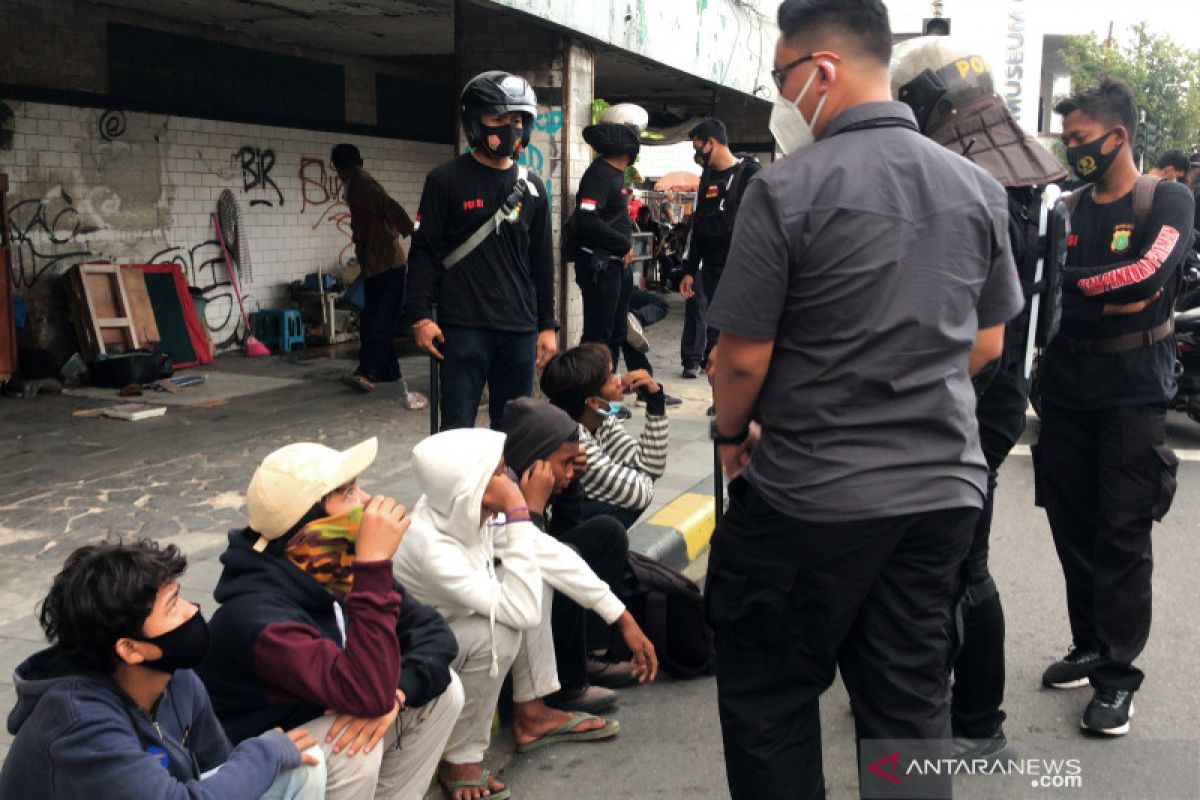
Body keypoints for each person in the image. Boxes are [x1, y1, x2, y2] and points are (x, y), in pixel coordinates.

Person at [703, 1, 1024, 797]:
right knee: (907, 710)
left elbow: (739, 359)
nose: (780, 97)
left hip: (809, 497)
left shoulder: (785, 188)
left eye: (781, 77)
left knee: (772, 698)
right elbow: (988, 345)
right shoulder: (976, 187)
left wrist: (731, 432)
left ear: (822, 70)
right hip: (938, 497)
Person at [891, 36, 1068, 759]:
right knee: (947, 554)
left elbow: (974, 333)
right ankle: (923, 695)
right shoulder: (1018, 187)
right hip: (994, 395)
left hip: (967, 398)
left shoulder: (975, 189)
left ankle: (977, 722)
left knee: (960, 561)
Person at [1035, 78, 1193, 736]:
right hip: (1066, 389)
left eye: (1079, 139)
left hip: (1132, 389)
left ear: (1116, 136)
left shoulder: (1169, 198)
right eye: (1067, 141)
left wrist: (1071, 289)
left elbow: (1147, 278)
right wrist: (1085, 293)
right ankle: (1092, 642)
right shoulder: (1064, 208)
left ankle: (1118, 678)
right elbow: (1037, 285)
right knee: (1072, 525)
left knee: (1123, 533)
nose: (1073, 151)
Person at [393, 428, 656, 800]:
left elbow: (548, 553)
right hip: (423, 654)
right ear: (472, 487)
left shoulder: (462, 509)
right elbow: (523, 611)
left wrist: (621, 616)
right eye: (499, 473)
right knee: (501, 629)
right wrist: (520, 511)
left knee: (531, 571)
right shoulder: (430, 548)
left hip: (453, 631)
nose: (510, 481)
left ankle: (533, 714)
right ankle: (459, 758)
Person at [198, 438, 464, 800]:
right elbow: (367, 695)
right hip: (256, 769)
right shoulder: (256, 616)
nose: (369, 501)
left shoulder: (331, 571)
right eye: (349, 493)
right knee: (353, 750)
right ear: (310, 526)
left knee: (441, 688)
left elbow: (435, 634)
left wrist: (398, 693)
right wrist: (374, 568)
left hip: (321, 722)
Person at [1, 540, 325, 800]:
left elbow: (219, 767)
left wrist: (265, 758)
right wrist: (263, 753)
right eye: (172, 606)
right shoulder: (79, 724)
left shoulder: (175, 677)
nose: (192, 611)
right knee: (273, 759)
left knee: (302, 768)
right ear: (129, 649)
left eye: (179, 596)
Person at [404, 72, 557, 430]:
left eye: (517, 120)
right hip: (462, 328)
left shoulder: (533, 187)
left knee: (514, 431)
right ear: (474, 123)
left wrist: (546, 326)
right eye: (498, 119)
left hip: (519, 329)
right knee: (456, 431)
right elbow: (424, 251)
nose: (509, 128)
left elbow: (542, 262)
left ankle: (509, 489)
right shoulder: (445, 180)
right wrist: (420, 317)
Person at [501, 396, 647, 688]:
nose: (570, 471)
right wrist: (530, 513)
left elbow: (564, 530)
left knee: (607, 532)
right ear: (535, 459)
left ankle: (592, 653)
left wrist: (570, 489)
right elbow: (531, 560)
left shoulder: (538, 480)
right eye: (565, 463)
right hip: (507, 603)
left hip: (531, 591)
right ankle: (568, 685)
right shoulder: (503, 490)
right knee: (566, 554)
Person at [540, 343, 669, 529]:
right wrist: (637, 473)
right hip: (552, 528)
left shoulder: (601, 418)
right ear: (593, 402)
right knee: (614, 520)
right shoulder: (574, 440)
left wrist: (655, 405)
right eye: (610, 378)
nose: (620, 380)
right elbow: (641, 493)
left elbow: (651, 465)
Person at [678, 117, 762, 371]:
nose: (697, 154)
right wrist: (689, 270)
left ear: (711, 143)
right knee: (715, 335)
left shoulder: (749, 173)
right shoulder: (708, 177)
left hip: (741, 269)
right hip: (713, 268)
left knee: (737, 333)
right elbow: (701, 226)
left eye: (698, 147)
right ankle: (720, 400)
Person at [332, 143, 415, 395]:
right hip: (378, 264)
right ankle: (389, 370)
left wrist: (411, 231)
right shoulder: (358, 184)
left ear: (341, 168)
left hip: (386, 265)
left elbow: (390, 206)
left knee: (376, 321)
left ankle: (367, 372)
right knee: (379, 318)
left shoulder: (362, 186)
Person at [573, 122, 641, 372]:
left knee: (616, 331)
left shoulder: (616, 173)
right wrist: (623, 243)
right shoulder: (599, 174)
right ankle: (588, 392)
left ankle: (608, 387)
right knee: (597, 334)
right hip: (599, 267)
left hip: (616, 266)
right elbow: (586, 218)